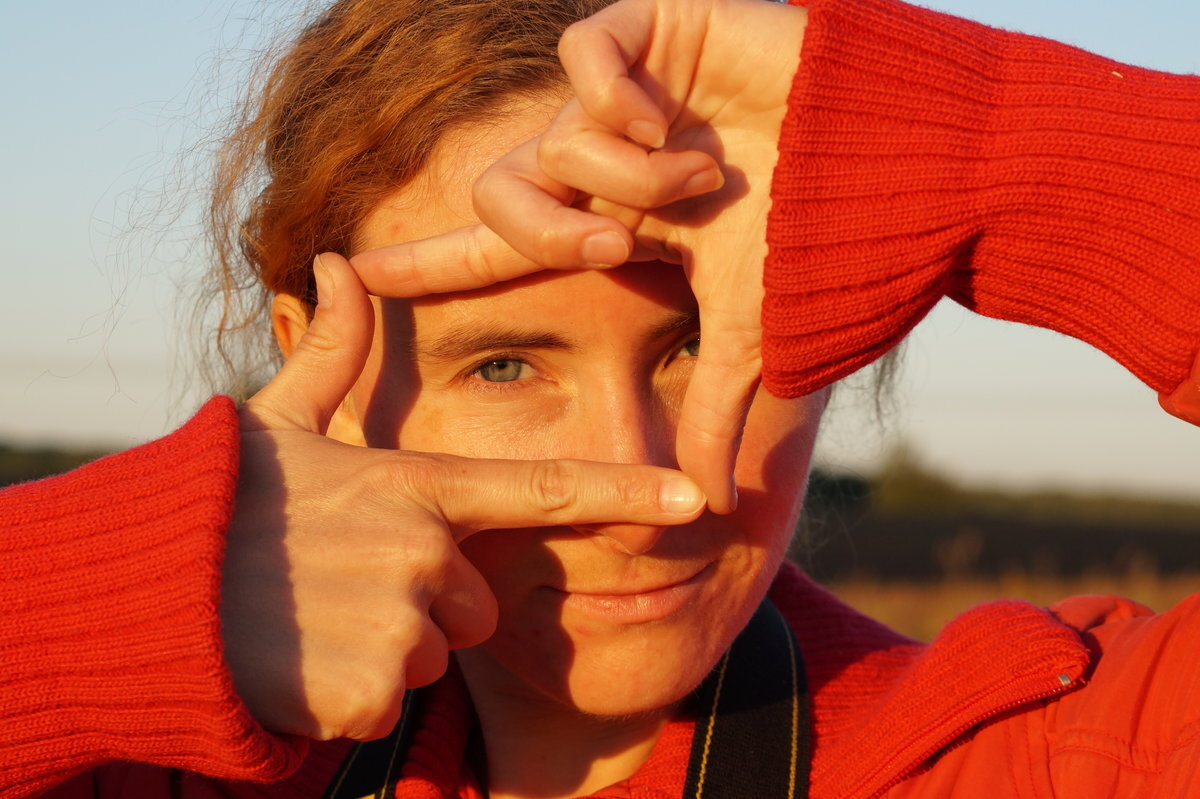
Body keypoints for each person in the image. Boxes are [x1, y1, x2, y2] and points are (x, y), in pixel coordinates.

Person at [2, 0, 1198, 798]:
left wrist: (980, 140)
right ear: (318, 362)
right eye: (505, 365)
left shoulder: (1052, 752)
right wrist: (108, 608)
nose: (650, 492)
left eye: (705, 343)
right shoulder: (126, 763)